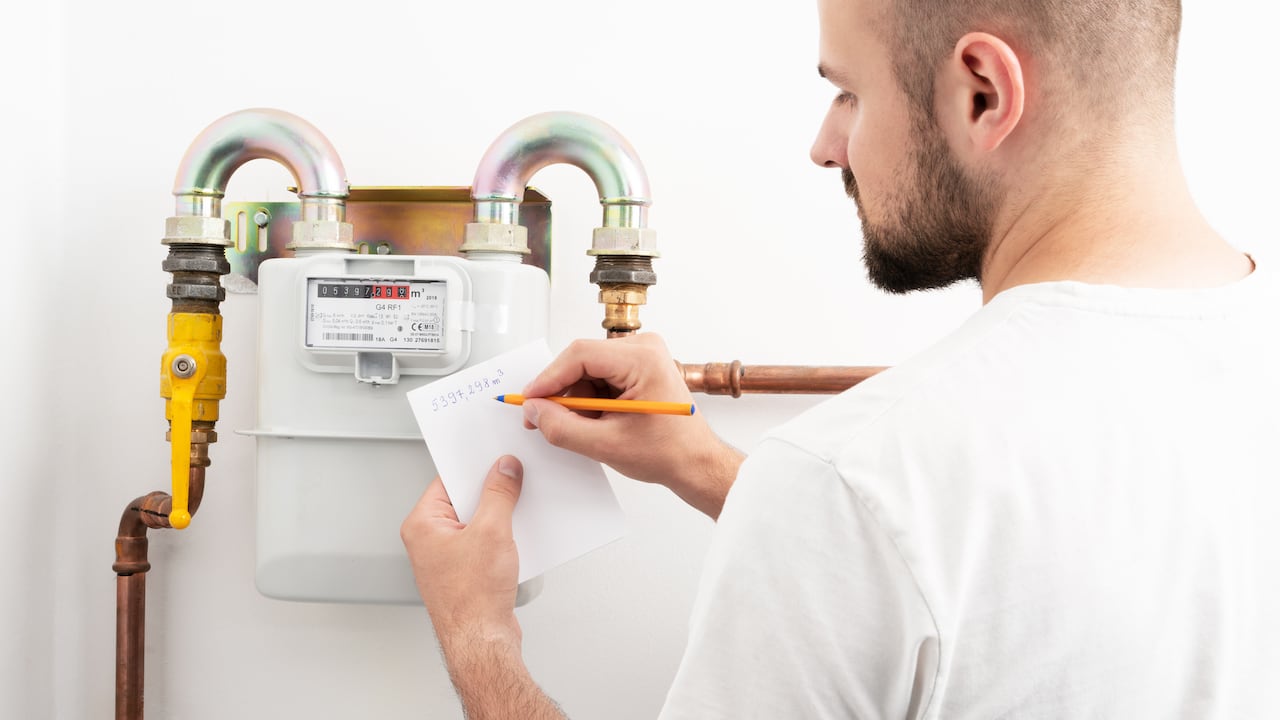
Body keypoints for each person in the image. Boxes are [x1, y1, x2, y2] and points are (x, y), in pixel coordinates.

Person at [401, 0, 1280, 716]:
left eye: (850, 93)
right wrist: (702, 465)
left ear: (983, 92)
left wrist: (480, 640)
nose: (826, 144)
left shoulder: (855, 474)